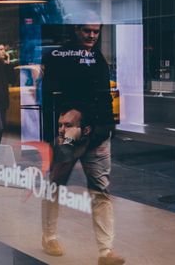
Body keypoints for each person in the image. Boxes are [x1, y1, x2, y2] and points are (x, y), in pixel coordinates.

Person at [41, 21, 124, 264]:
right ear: (76, 30)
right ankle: (49, 236)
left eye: (96, 32)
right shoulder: (57, 56)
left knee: (101, 191)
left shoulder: (97, 59)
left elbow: (104, 97)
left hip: (97, 133)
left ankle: (106, 250)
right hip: (68, 133)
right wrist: (52, 136)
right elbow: (49, 99)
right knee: (56, 184)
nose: (91, 35)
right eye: (87, 31)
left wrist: (108, 128)